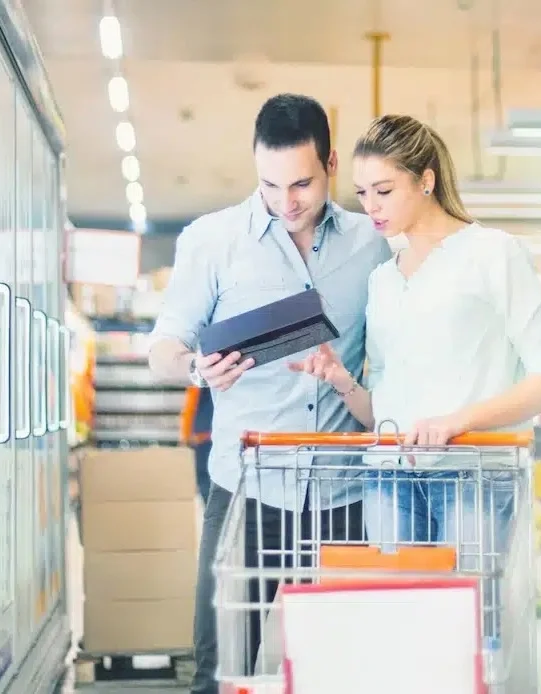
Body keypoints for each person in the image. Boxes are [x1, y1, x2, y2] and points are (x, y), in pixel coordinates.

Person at [148, 94, 392, 694]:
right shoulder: (212, 241)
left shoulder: (374, 243)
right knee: (219, 665)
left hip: (345, 495)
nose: (286, 203)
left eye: (302, 184)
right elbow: (163, 349)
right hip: (245, 493)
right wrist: (197, 369)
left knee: (343, 671)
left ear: (332, 164)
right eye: (270, 185)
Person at [289, 113, 541, 632]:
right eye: (362, 193)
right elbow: (385, 408)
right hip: (388, 475)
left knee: (471, 638)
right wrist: (341, 381)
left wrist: (455, 420)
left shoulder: (492, 253)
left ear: (426, 179)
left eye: (384, 190)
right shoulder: (382, 279)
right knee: (403, 635)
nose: (370, 207)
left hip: (473, 473)